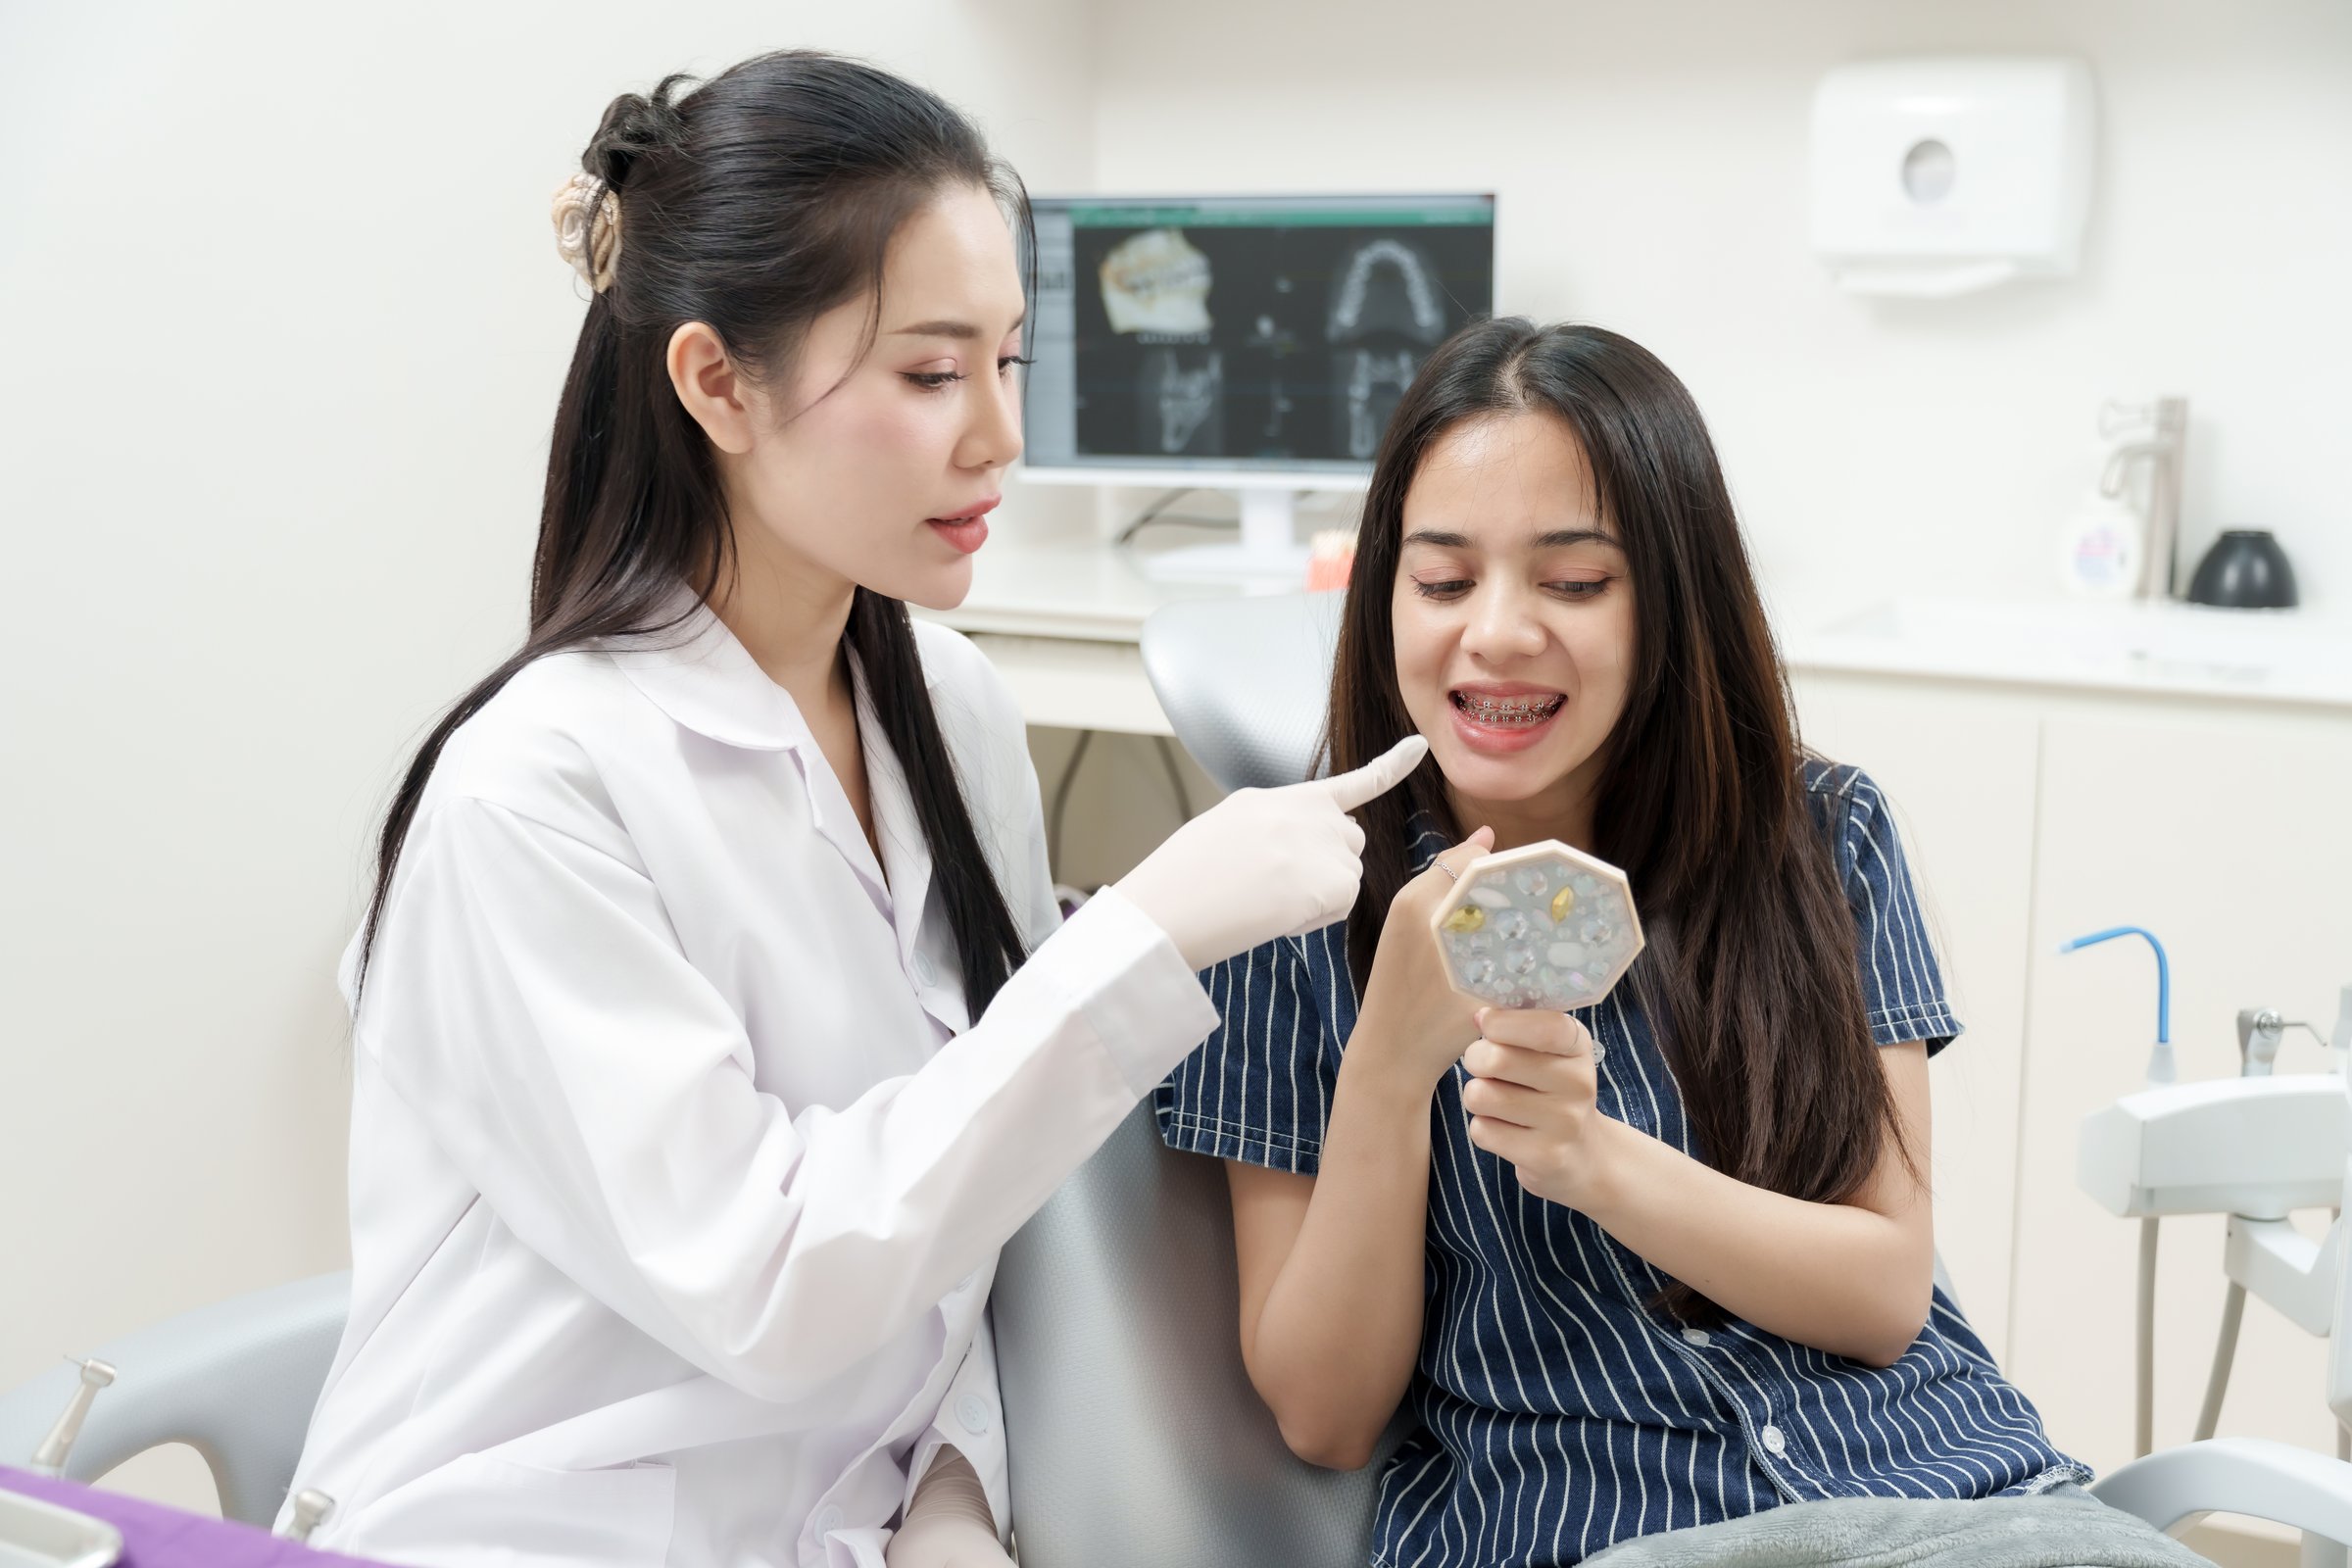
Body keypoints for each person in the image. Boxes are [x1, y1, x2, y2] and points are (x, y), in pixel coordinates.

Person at [276, 51, 1422, 1568]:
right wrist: (1144, 925)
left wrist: (952, 1503)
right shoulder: (532, 794)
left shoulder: (951, 713)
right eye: (932, 374)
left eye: (1009, 364)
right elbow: (771, 1283)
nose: (999, 435)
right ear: (714, 382)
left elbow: (968, 1232)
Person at [1158, 318, 2114, 1565]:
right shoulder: (1288, 906)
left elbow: (1883, 1296)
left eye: (1572, 581)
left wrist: (1592, 1159)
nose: (1496, 632)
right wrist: (1391, 1069)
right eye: (1443, 581)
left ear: (1672, 599)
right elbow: (1326, 1414)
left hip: (1962, 1499)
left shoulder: (1819, 839)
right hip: (1602, 1522)